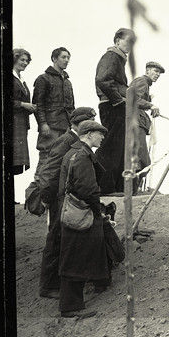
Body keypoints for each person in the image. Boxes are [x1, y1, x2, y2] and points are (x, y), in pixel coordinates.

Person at [37, 107, 98, 299]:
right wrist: (48, 200)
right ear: (80, 124)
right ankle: (48, 286)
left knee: (62, 240)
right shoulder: (66, 141)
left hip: (66, 199)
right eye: (90, 121)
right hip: (59, 200)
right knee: (55, 240)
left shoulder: (73, 141)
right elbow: (48, 173)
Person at [57, 120, 112, 319]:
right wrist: (98, 210)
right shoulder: (82, 156)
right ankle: (71, 307)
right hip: (80, 213)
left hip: (72, 211)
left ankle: (74, 303)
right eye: (100, 133)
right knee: (75, 259)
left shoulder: (73, 153)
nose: (103, 137)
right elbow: (87, 189)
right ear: (88, 134)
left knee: (74, 256)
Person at [94, 28, 136, 194]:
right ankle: (104, 187)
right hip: (112, 106)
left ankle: (115, 187)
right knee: (110, 145)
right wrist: (118, 100)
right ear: (117, 41)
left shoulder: (119, 59)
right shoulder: (111, 56)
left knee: (118, 146)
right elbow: (102, 80)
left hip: (116, 106)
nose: (129, 46)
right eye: (127, 41)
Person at [32, 47, 76, 178]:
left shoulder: (68, 82)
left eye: (68, 57)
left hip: (66, 127)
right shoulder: (43, 79)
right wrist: (43, 124)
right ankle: (36, 194)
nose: (66, 60)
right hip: (50, 127)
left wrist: (73, 125)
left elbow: (72, 106)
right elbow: (38, 104)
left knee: (63, 159)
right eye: (63, 57)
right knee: (46, 158)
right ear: (54, 59)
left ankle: (56, 196)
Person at [126, 61, 165, 190]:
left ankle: (135, 188)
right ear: (147, 70)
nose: (157, 74)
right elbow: (132, 99)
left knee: (141, 158)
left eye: (159, 73)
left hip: (138, 122)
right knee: (141, 158)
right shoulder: (142, 81)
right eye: (155, 71)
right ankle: (133, 189)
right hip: (136, 123)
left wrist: (148, 101)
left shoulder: (145, 85)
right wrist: (150, 105)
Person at [11, 48, 36, 177]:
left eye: (27, 60)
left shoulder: (20, 79)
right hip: (12, 123)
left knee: (15, 163)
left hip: (21, 123)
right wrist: (23, 104)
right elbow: (6, 101)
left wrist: (30, 107)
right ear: (14, 59)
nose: (25, 63)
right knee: (10, 161)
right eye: (22, 59)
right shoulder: (9, 78)